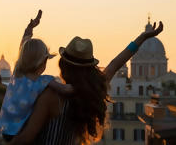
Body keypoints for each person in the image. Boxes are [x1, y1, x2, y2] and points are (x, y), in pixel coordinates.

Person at [9, 13, 163, 145]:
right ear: (89, 67)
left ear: (63, 65)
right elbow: (115, 64)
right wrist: (141, 39)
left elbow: (25, 139)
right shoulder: (92, 90)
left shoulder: (52, 96)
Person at [0, 10, 73, 143]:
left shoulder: (17, 73)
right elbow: (66, 89)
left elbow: (23, 45)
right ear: (42, 62)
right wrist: (84, 84)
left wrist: (29, 28)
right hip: (21, 130)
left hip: (6, 129)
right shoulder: (44, 80)